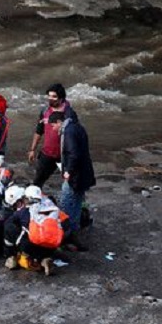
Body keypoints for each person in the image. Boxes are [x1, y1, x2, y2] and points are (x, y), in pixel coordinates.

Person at [59, 94, 95, 252]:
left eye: (54, 126)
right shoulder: (79, 127)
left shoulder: (68, 131)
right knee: (77, 204)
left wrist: (67, 171)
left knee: (66, 205)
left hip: (75, 176)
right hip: (84, 175)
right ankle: (73, 233)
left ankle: (66, 237)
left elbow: (73, 154)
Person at [3, 188, 67, 275]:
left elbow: (8, 224)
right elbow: (65, 224)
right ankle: (45, 259)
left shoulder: (23, 212)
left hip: (31, 246)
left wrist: (9, 253)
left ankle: (11, 258)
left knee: (10, 229)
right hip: (52, 245)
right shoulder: (51, 206)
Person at [27, 83, 76, 187]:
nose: (50, 99)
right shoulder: (45, 111)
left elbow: (76, 134)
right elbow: (39, 131)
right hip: (47, 154)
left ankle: (78, 202)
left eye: (54, 97)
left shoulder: (69, 114)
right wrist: (32, 149)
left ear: (61, 98)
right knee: (37, 181)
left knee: (73, 182)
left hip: (64, 156)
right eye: (49, 96)